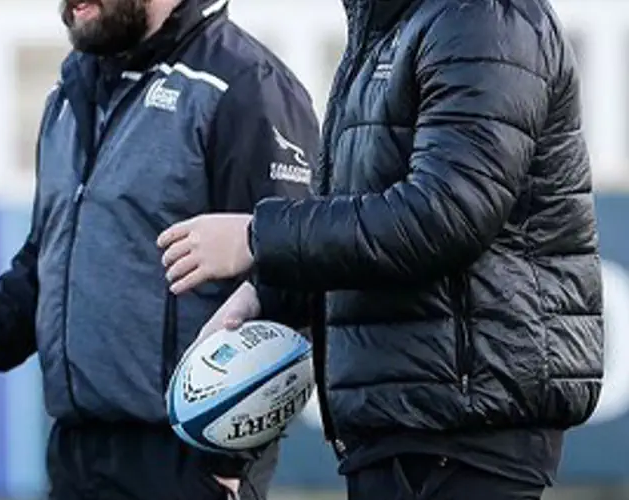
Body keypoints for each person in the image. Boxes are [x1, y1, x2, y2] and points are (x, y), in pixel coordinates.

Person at [157, 0, 600, 498]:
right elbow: (368, 218)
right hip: (400, 423)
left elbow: (443, 216)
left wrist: (255, 238)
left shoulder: (481, 18)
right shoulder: (389, 27)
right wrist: (270, 292)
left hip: (466, 423)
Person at [0, 0, 319, 498]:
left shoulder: (246, 85)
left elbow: (292, 272)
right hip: (75, 456)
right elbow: (47, 260)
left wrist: (227, 460)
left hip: (188, 462)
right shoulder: (69, 92)